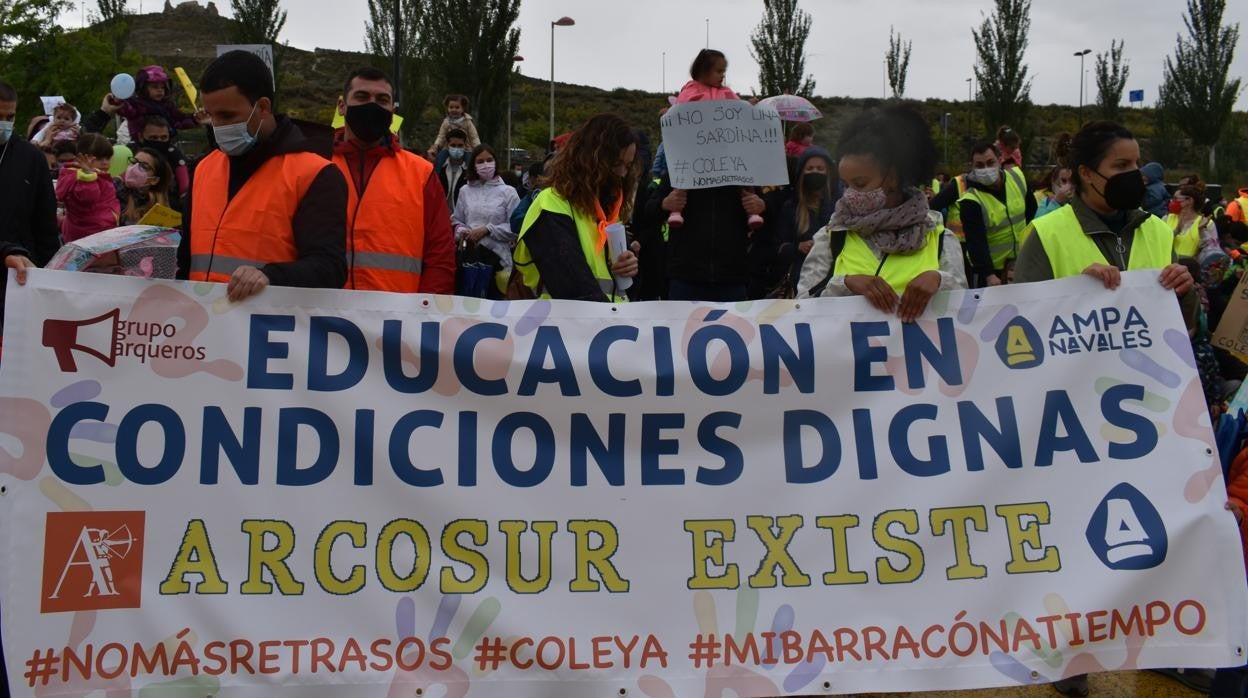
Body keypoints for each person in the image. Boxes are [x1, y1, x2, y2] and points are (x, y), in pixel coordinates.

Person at [176, 50, 347, 301]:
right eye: (211, 115)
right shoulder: (204, 168)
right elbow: (186, 259)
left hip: (267, 330)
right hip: (205, 330)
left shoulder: (315, 174)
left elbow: (330, 268)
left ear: (263, 107)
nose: (218, 126)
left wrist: (271, 276)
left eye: (227, 116)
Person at [795, 106, 966, 320]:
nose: (849, 195)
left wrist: (940, 280)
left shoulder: (939, 238)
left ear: (893, 177)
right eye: (845, 184)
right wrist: (845, 283)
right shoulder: (831, 237)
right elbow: (801, 307)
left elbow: (969, 309)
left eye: (860, 183)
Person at [332, 67, 455, 294]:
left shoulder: (421, 173)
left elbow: (440, 255)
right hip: (317, 321)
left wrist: (421, 314)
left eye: (382, 99)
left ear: (392, 110)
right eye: (362, 97)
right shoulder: (313, 164)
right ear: (342, 106)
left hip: (397, 323)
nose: (372, 105)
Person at [512, 114, 639, 301]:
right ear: (588, 161)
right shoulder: (551, 204)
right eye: (615, 164)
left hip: (608, 324)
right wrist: (614, 325)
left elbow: (617, 285)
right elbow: (573, 286)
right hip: (569, 325)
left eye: (627, 166)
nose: (621, 174)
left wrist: (630, 266)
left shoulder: (606, 209)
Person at [665, 49, 764, 232]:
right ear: (703, 70)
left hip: (726, 153)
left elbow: (738, 109)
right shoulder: (690, 90)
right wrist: (670, 116)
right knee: (684, 177)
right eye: (719, 71)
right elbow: (680, 112)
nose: (723, 75)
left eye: (724, 71)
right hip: (696, 151)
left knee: (744, 178)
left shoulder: (727, 92)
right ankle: (676, 210)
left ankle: (751, 212)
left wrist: (748, 105)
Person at [0, 81, 60, 266]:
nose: (4, 124)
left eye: (10, 118)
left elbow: (45, 225)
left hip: (22, 269)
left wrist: (49, 271)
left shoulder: (31, 157)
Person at [959, 140, 1035, 286]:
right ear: (972, 167)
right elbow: (976, 243)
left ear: (1000, 160)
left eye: (990, 162)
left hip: (1020, 264)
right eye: (979, 165)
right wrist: (989, 275)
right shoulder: (971, 200)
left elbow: (1031, 212)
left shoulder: (1017, 177)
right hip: (992, 273)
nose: (986, 169)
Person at [452, 144, 520, 289]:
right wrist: (461, 231)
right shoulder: (465, 191)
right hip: (468, 258)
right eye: (480, 161)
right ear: (473, 165)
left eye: (489, 160)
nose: (486, 164)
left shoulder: (509, 192)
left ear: (495, 162)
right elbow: (456, 219)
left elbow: (516, 228)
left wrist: (487, 229)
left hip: (499, 261)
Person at [775, 146, 835, 295]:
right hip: (801, 282)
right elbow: (777, 246)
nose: (815, 172)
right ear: (802, 173)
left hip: (834, 281)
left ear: (828, 172)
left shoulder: (839, 205)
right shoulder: (791, 207)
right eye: (810, 168)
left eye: (820, 168)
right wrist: (797, 247)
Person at [98, 65, 200, 143]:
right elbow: (127, 110)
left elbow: (179, 120)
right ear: (143, 88)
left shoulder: (167, 106)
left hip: (166, 145)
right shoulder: (137, 104)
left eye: (162, 87)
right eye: (155, 87)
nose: (160, 90)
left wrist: (196, 118)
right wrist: (119, 101)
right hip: (142, 148)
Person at [57, 132, 119, 242]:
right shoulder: (78, 177)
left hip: (103, 231)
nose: (105, 163)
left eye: (108, 158)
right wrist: (87, 177)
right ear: (81, 158)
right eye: (98, 158)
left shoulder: (99, 176)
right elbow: (87, 198)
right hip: (88, 236)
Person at [116, 147, 175, 226]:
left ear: (154, 180)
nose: (134, 168)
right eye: (134, 162)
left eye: (144, 167)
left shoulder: (161, 212)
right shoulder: (113, 191)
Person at [137, 115, 191, 198]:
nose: (159, 141)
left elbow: (185, 186)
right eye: (153, 138)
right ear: (141, 137)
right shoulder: (132, 154)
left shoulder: (174, 155)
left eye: (164, 137)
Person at [1168, 180, 1217, 259]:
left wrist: (1201, 230)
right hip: (1166, 267)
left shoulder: (1207, 223)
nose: (1171, 202)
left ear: (1189, 200)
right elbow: (1158, 243)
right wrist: (1176, 231)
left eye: (1175, 199)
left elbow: (1211, 250)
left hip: (1191, 269)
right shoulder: (1167, 218)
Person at [426, 94, 481, 160]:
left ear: (463, 108)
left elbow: (474, 137)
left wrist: (478, 148)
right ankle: (436, 170)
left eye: (457, 107)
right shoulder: (446, 122)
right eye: (451, 107)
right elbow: (441, 136)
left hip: (465, 149)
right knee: (440, 158)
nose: (454, 110)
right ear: (447, 108)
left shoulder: (467, 122)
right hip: (449, 148)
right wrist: (436, 145)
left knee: (469, 160)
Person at [437, 128, 471, 211]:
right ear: (447, 145)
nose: (456, 148)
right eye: (453, 145)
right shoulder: (440, 168)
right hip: (442, 214)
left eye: (460, 145)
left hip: (462, 217)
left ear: (465, 145)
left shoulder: (470, 170)